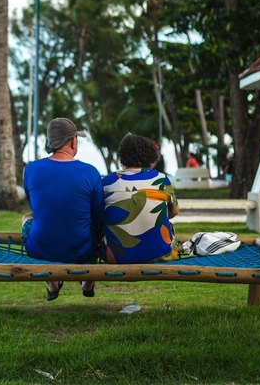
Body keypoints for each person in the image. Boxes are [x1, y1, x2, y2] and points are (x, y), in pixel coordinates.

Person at [22, 117, 104, 300]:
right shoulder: (90, 172)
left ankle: (52, 284)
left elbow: (35, 208)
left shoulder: (30, 170)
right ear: (73, 141)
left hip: (39, 249)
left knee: (27, 218)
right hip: (81, 250)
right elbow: (99, 218)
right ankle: (87, 281)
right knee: (95, 228)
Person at [101, 134, 181, 265]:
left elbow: (100, 215)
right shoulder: (161, 179)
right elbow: (174, 212)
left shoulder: (107, 182)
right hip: (162, 254)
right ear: (149, 155)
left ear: (122, 156)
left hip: (117, 257)